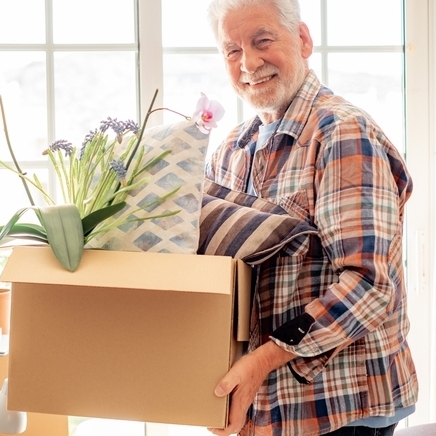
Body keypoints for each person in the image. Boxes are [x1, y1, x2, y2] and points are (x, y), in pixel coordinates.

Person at [204, 0, 419, 435]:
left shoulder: (342, 134)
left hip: (345, 407)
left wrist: (260, 364)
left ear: (302, 40)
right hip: (270, 408)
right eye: (232, 50)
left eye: (262, 40)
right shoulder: (230, 151)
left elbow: (368, 286)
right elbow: (223, 287)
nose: (248, 62)